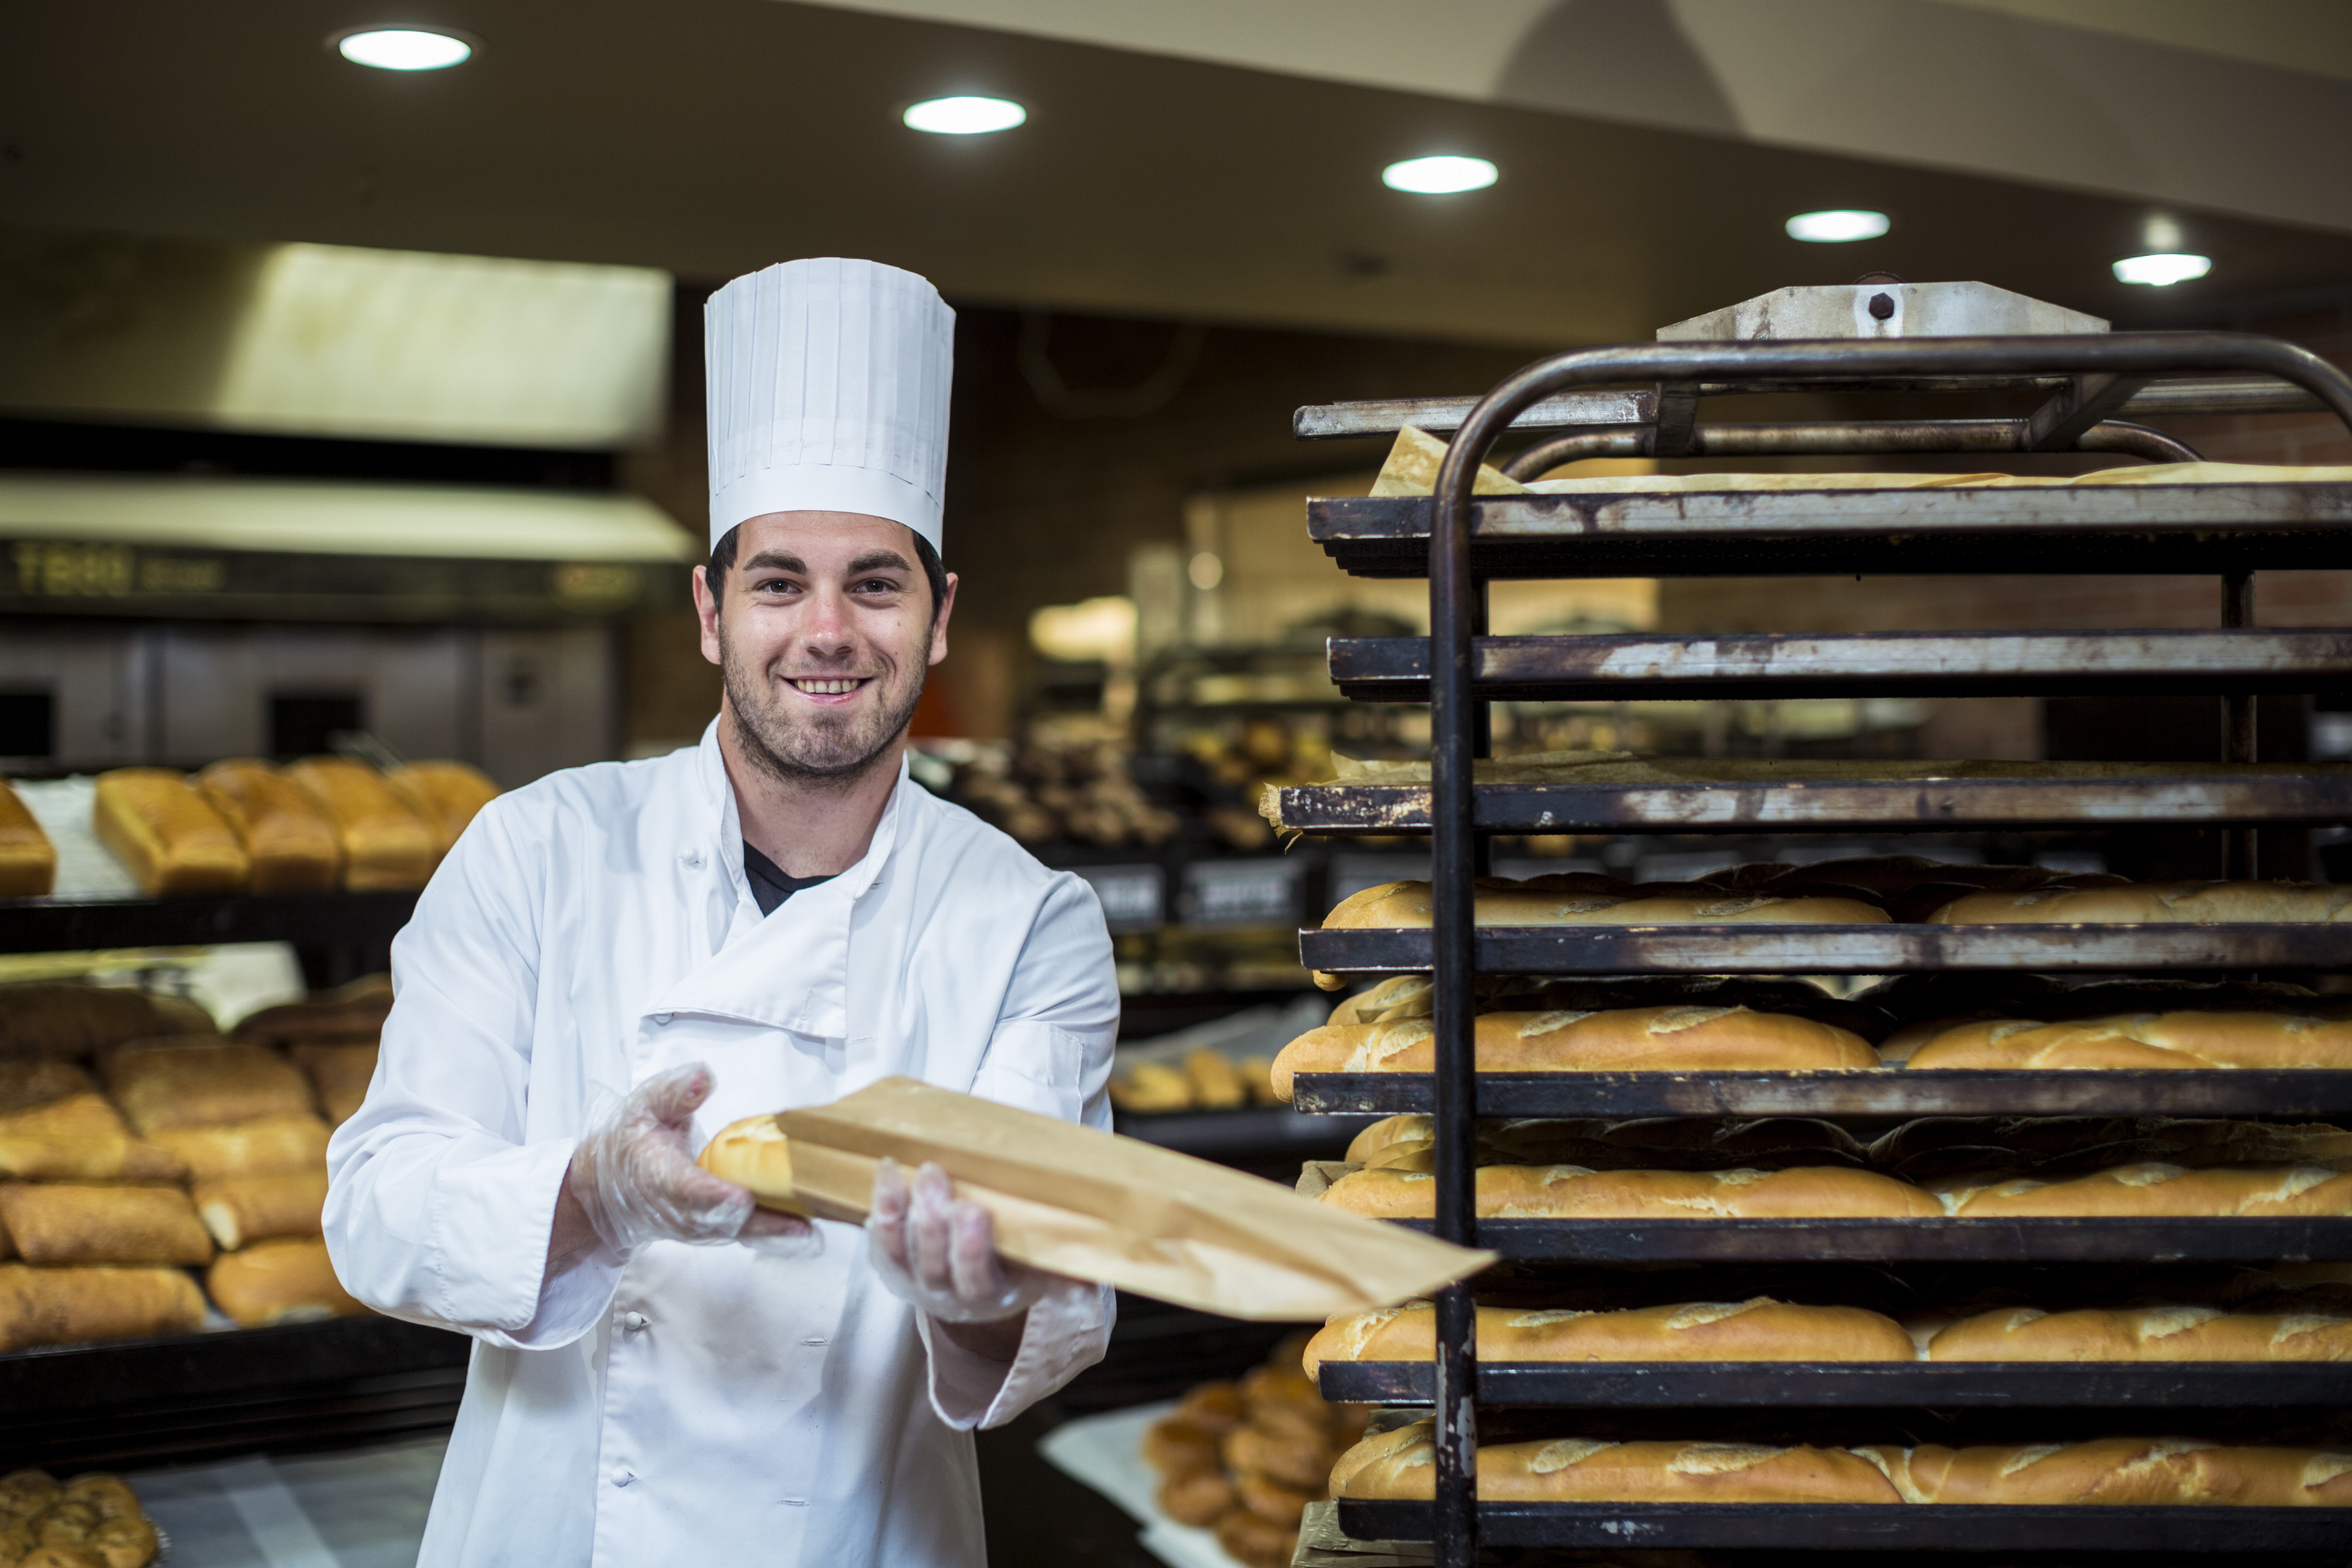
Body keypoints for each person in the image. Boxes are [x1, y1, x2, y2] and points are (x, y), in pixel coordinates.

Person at [323, 257, 1120, 1568]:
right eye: (777, 583)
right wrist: (597, 1195)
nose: (827, 630)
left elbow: (1053, 1303)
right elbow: (377, 1207)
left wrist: (968, 1296)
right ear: (709, 611)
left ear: (937, 620)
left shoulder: (1028, 923)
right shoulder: (535, 850)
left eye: (875, 583)